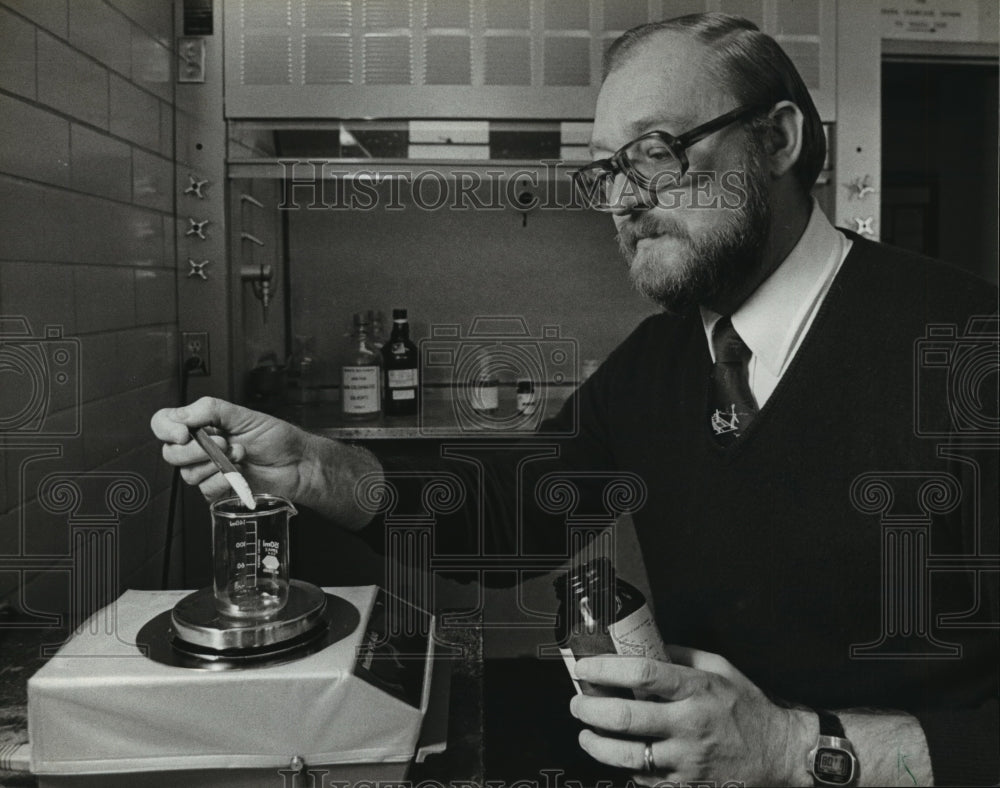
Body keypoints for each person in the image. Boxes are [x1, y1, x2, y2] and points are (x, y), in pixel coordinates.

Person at [152, 13, 998, 787]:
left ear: (776, 139)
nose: (625, 199)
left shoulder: (968, 351)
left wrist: (793, 749)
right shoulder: (663, 359)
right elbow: (508, 518)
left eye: (657, 152)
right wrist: (313, 468)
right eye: (606, 171)